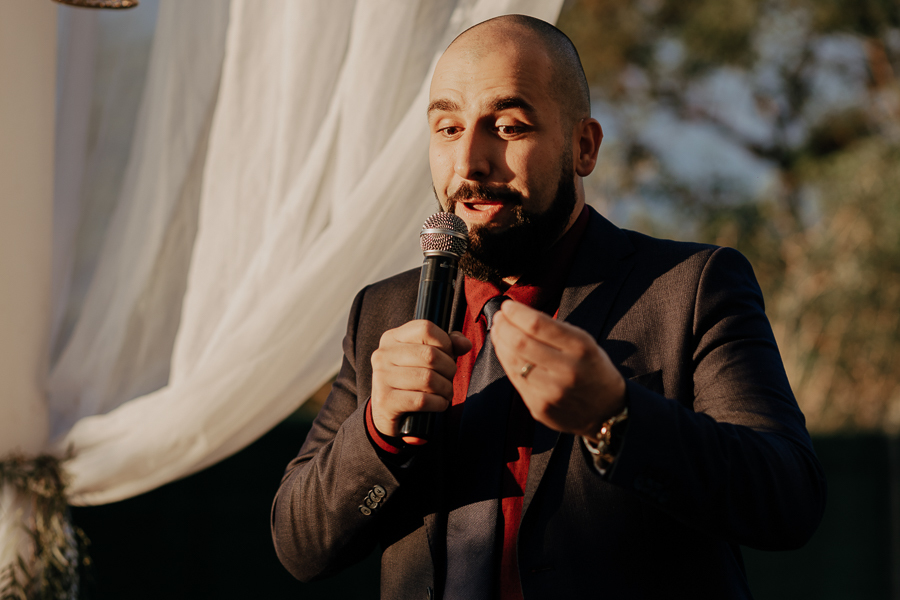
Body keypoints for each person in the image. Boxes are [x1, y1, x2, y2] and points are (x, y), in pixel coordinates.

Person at [271, 14, 826, 600]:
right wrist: (378, 432)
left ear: (583, 146)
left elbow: (787, 499)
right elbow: (299, 546)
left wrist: (614, 417)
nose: (468, 165)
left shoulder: (691, 288)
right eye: (448, 129)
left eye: (507, 127)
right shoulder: (383, 313)